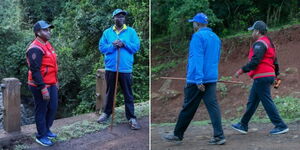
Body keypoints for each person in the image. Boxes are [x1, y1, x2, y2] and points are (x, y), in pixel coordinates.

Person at [163, 13, 226, 145]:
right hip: (211, 77)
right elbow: (216, 58)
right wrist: (211, 75)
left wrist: (198, 79)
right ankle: (219, 136)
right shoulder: (215, 37)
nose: (193, 25)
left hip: (197, 79)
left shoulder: (197, 36)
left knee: (188, 107)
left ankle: (177, 134)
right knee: (213, 106)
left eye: (193, 23)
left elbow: (198, 57)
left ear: (197, 24)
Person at [232, 21, 289, 135]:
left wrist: (241, 70)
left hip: (262, 77)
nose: (252, 33)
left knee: (267, 101)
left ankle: (280, 125)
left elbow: (255, 61)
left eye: (253, 30)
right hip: (267, 76)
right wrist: (276, 77)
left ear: (257, 31)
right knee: (252, 102)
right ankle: (243, 124)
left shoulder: (260, 43)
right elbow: (275, 62)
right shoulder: (270, 44)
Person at [97, 9, 141, 130]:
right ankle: (106, 113)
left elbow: (136, 47)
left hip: (125, 69)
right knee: (110, 92)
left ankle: (131, 117)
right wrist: (112, 45)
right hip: (111, 68)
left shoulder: (131, 32)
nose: (120, 18)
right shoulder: (107, 33)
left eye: (122, 16)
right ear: (114, 18)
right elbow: (101, 48)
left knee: (128, 94)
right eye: (118, 16)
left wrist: (124, 43)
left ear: (124, 18)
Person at [26, 20, 58, 146]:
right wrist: (43, 88)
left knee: (53, 107)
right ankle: (41, 136)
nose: (48, 31)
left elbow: (53, 65)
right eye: (45, 30)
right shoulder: (35, 48)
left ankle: (46, 129)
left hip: (52, 83)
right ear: (38, 32)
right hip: (39, 85)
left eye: (49, 29)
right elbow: (35, 71)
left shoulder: (47, 44)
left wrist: (56, 81)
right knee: (41, 110)